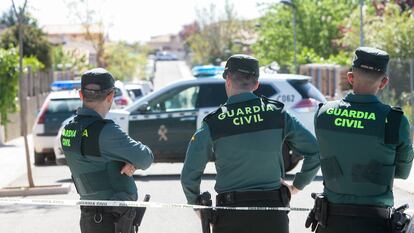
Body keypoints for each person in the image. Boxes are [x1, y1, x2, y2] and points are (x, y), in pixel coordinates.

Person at [180, 54, 320, 233]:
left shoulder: (213, 124)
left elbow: (189, 175)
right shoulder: (278, 115)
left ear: (228, 80)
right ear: (256, 84)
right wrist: (296, 186)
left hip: (230, 215)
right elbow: (315, 151)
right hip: (273, 213)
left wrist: (198, 207)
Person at [309, 47, 413, 233]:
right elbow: (402, 172)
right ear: (384, 82)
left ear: (350, 78)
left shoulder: (324, 113)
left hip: (330, 222)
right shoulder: (394, 120)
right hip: (374, 222)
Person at [60, 68, 154, 233]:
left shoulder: (68, 129)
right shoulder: (106, 132)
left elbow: (94, 159)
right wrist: (133, 161)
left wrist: (129, 161)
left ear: (81, 95)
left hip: (89, 217)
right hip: (113, 221)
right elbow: (145, 158)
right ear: (111, 96)